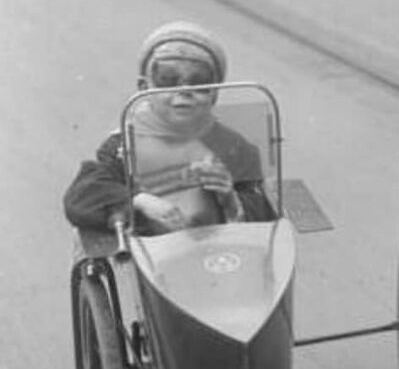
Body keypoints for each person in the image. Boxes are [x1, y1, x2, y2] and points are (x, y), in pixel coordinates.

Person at [64, 21, 275, 235]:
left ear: (214, 93)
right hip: (146, 254)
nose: (184, 92)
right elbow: (83, 194)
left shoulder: (234, 148)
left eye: (199, 82)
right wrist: (139, 201)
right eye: (168, 80)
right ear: (144, 88)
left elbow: (265, 211)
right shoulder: (125, 144)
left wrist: (231, 199)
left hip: (216, 253)